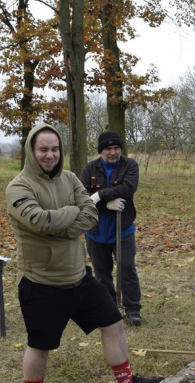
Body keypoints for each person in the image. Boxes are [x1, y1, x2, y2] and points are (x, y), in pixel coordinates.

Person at [6, 123, 163, 383]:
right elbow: (40, 222)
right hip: (41, 281)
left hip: (79, 276)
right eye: (43, 149)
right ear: (31, 151)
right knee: (40, 345)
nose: (50, 155)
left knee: (114, 322)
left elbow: (91, 214)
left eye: (55, 149)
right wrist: (71, 216)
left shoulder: (69, 179)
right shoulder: (19, 187)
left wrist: (63, 221)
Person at [79, 131, 143, 325]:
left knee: (127, 269)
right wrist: (104, 202)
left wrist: (98, 195)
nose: (113, 152)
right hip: (96, 231)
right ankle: (110, 306)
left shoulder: (130, 165)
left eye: (116, 148)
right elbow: (82, 195)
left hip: (122, 229)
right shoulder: (90, 168)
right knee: (102, 272)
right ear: (101, 151)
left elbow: (128, 189)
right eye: (108, 148)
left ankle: (132, 309)